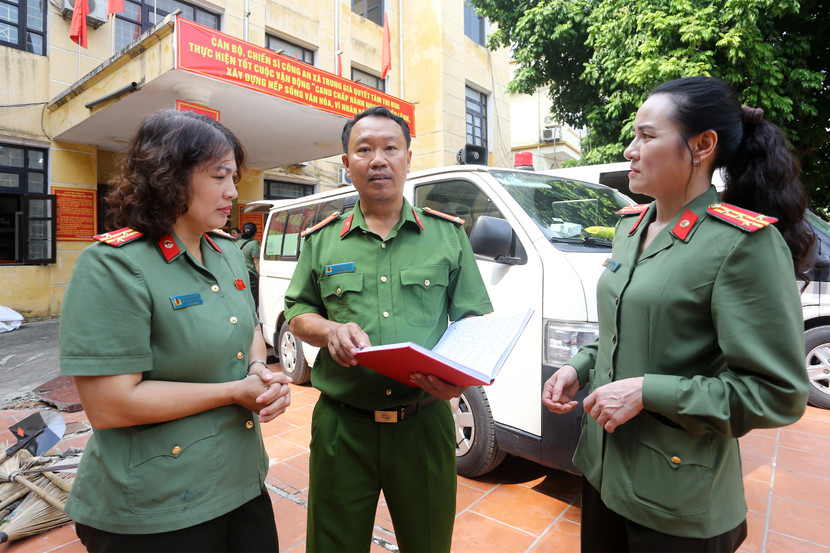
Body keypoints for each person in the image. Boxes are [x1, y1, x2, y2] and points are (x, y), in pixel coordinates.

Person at [542, 76, 812, 552]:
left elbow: (778, 393)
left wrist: (650, 392)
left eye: (647, 136)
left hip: (677, 498)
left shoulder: (740, 243)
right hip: (604, 471)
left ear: (703, 145)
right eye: (634, 136)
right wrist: (577, 366)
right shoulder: (631, 226)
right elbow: (621, 330)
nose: (630, 150)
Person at [59, 109, 292, 553]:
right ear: (170, 177)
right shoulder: (115, 265)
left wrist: (260, 371)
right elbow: (110, 405)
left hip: (240, 482)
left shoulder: (224, 251)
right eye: (220, 176)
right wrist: (232, 391)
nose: (232, 192)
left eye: (235, 177)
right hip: (155, 504)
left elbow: (248, 328)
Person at [284, 105, 493, 553]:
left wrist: (456, 379)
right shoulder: (321, 240)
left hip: (424, 423)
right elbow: (298, 310)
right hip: (343, 426)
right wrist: (329, 332)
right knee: (332, 545)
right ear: (346, 165)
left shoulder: (448, 235)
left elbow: (474, 319)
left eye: (390, 148)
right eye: (364, 149)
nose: (378, 159)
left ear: (408, 158)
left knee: (428, 543)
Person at [237, 222, 260, 310]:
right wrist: (260, 276)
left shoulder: (236, 242)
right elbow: (256, 262)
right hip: (250, 277)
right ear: (255, 233)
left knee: (242, 297)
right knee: (251, 299)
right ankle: (251, 320)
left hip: (238, 275)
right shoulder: (254, 244)